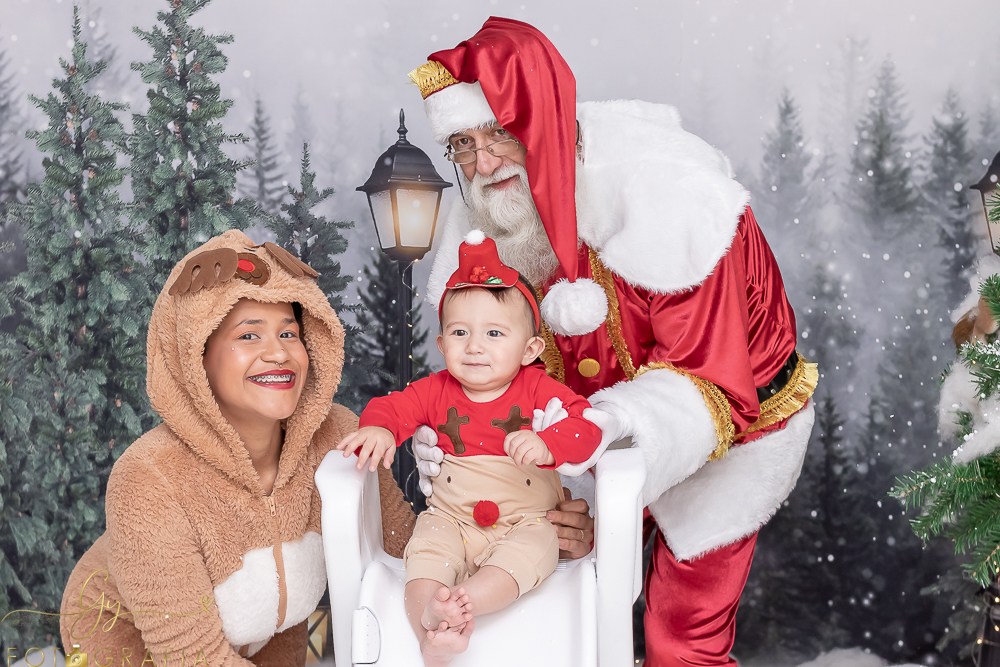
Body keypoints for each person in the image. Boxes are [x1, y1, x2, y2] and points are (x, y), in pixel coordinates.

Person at [408, 17, 818, 667]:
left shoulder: (671, 201)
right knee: (561, 603)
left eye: (500, 133)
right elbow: (490, 377)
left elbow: (709, 392)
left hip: (733, 427)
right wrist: (464, 441)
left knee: (678, 636)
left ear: (542, 121)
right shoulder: (485, 216)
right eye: (462, 144)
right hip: (586, 438)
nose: (483, 163)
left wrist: (599, 468)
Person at [58, 230, 417, 667]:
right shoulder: (148, 479)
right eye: (249, 336)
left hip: (274, 630)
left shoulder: (338, 435)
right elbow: (194, 657)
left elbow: (401, 541)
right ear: (197, 358)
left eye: (289, 333)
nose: (278, 354)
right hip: (131, 642)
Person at [335, 231, 603, 666]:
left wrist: (547, 441)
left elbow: (586, 427)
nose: (475, 346)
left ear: (530, 348)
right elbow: (392, 406)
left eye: (495, 333)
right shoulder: (434, 390)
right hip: (452, 518)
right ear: (442, 344)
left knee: (536, 548)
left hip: (525, 520)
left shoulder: (538, 388)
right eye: (460, 332)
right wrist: (382, 429)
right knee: (426, 549)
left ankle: (464, 605)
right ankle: (429, 611)